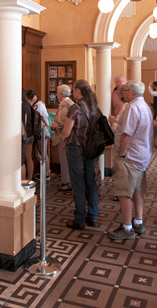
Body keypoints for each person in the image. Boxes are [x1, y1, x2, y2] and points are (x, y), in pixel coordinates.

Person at [108, 81, 154, 240]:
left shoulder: (132, 108)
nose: (122, 94)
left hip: (130, 157)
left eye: (124, 91)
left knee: (124, 193)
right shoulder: (145, 106)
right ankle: (138, 222)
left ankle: (127, 228)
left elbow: (127, 134)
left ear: (131, 92)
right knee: (137, 191)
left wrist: (121, 154)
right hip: (141, 155)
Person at [62, 80, 100, 230]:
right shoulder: (94, 107)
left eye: (74, 90)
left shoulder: (75, 108)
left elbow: (66, 131)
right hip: (90, 148)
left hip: (75, 148)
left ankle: (79, 219)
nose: (73, 92)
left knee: (78, 183)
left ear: (78, 91)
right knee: (90, 182)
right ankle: (93, 216)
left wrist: (65, 139)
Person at [50, 84, 74, 192]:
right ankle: (69, 181)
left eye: (57, 93)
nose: (56, 95)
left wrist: (53, 126)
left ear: (61, 94)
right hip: (70, 137)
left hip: (63, 137)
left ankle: (66, 182)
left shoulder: (65, 104)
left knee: (64, 161)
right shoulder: (71, 103)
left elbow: (62, 123)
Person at [27, 90, 50, 180]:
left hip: (42, 132)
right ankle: (43, 172)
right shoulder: (38, 104)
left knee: (43, 154)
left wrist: (31, 102)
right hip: (37, 132)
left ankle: (46, 174)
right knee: (36, 154)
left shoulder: (38, 105)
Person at [22, 90, 35, 181]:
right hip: (30, 133)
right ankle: (29, 179)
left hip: (25, 135)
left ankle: (26, 180)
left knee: (23, 160)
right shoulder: (28, 105)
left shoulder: (23, 106)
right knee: (28, 157)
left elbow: (23, 122)